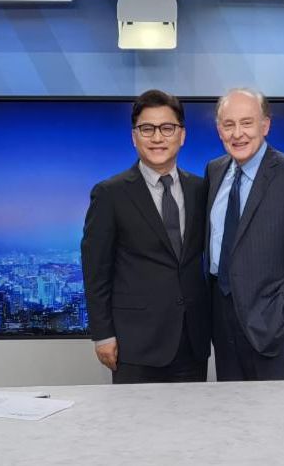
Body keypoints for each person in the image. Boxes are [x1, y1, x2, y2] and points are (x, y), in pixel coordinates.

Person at [81, 89, 210, 384]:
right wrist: (103, 334)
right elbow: (95, 270)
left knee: (194, 414)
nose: (157, 137)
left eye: (167, 128)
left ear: (182, 135)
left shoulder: (201, 189)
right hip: (134, 342)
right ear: (134, 136)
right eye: (147, 129)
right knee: (134, 416)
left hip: (192, 340)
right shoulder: (110, 194)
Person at [206, 88, 284, 381]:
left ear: (265, 125)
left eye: (247, 123)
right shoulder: (214, 171)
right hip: (220, 319)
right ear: (219, 130)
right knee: (227, 404)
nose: (238, 133)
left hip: (271, 323)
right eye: (229, 124)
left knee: (273, 408)